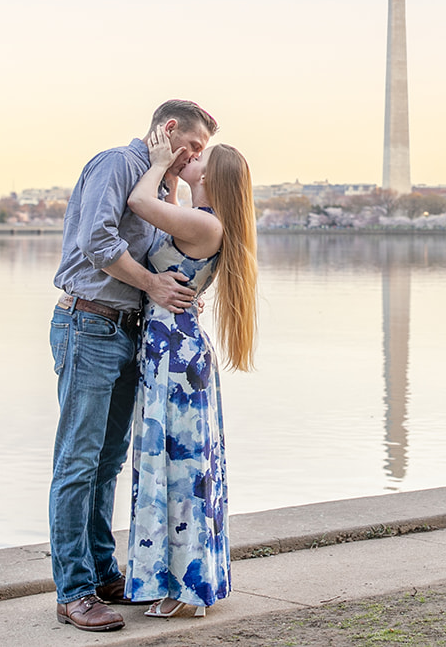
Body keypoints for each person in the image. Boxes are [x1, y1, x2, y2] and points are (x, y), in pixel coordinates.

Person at [47, 100, 218, 633]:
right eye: (191, 146)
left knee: (109, 460)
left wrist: (182, 286)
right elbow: (97, 242)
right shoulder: (116, 165)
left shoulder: (157, 184)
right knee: (78, 461)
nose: (194, 158)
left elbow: (162, 254)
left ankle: (102, 572)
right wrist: (155, 285)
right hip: (88, 323)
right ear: (168, 131)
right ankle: (73, 591)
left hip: (129, 331)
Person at [121, 125, 258, 619]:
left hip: (174, 357)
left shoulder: (207, 225)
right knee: (176, 466)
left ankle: (184, 589)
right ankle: (182, 582)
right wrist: (174, 176)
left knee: (177, 468)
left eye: (201, 157)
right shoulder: (200, 220)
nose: (192, 156)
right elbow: (163, 225)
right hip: (172, 350)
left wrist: (158, 164)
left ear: (212, 178)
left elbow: (140, 203)